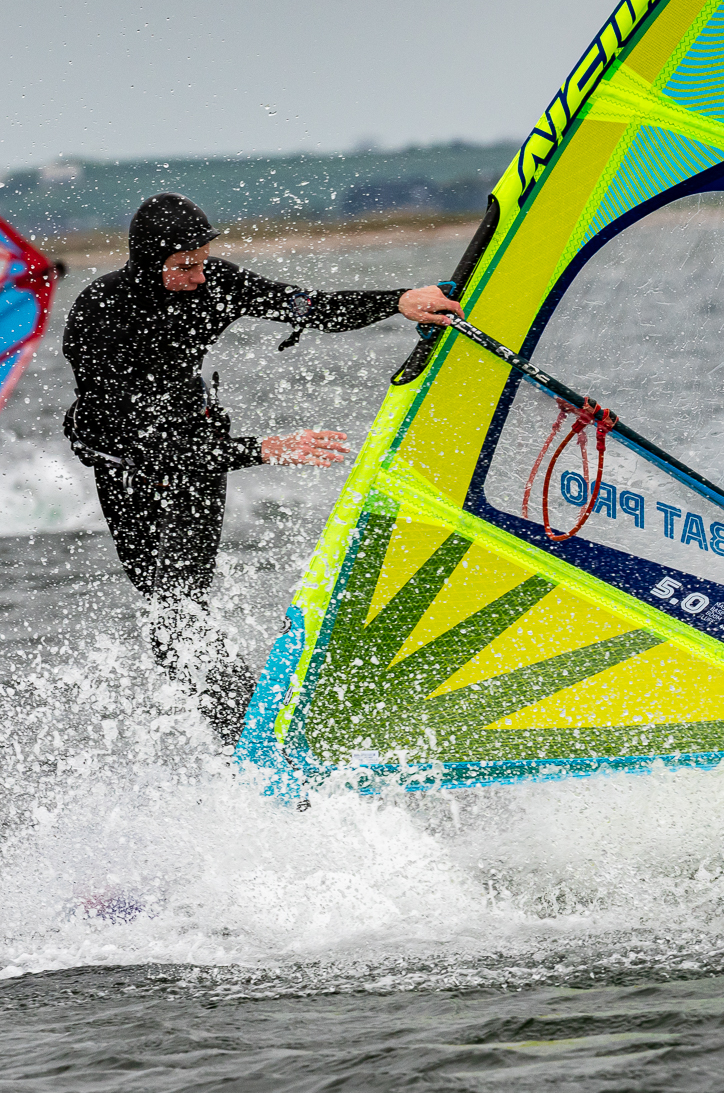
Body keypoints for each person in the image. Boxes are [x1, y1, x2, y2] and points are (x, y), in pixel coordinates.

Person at [62, 192, 462, 745]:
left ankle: (251, 726)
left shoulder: (216, 283)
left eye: (202, 262)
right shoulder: (102, 313)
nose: (200, 277)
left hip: (198, 445)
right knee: (166, 608)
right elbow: (147, 449)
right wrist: (263, 449)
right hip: (125, 461)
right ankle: (243, 727)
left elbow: (311, 307)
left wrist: (399, 301)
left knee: (183, 602)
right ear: (148, 263)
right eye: (184, 267)